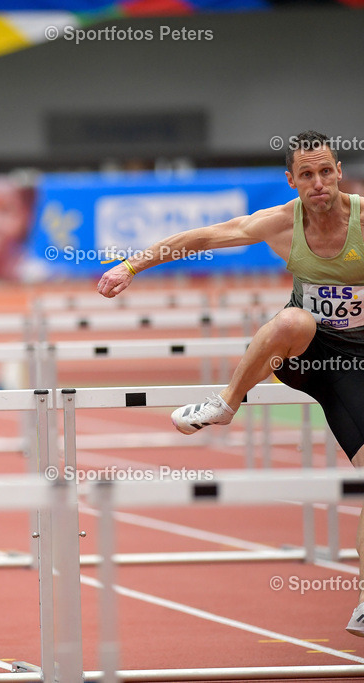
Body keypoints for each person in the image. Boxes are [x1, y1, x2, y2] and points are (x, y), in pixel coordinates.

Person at [96, 130, 364, 636]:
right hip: (307, 351)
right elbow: (200, 238)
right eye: (306, 174)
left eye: (325, 171)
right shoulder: (282, 223)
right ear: (292, 181)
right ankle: (225, 403)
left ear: (338, 171)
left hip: (359, 363)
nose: (318, 182)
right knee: (292, 322)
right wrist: (131, 265)